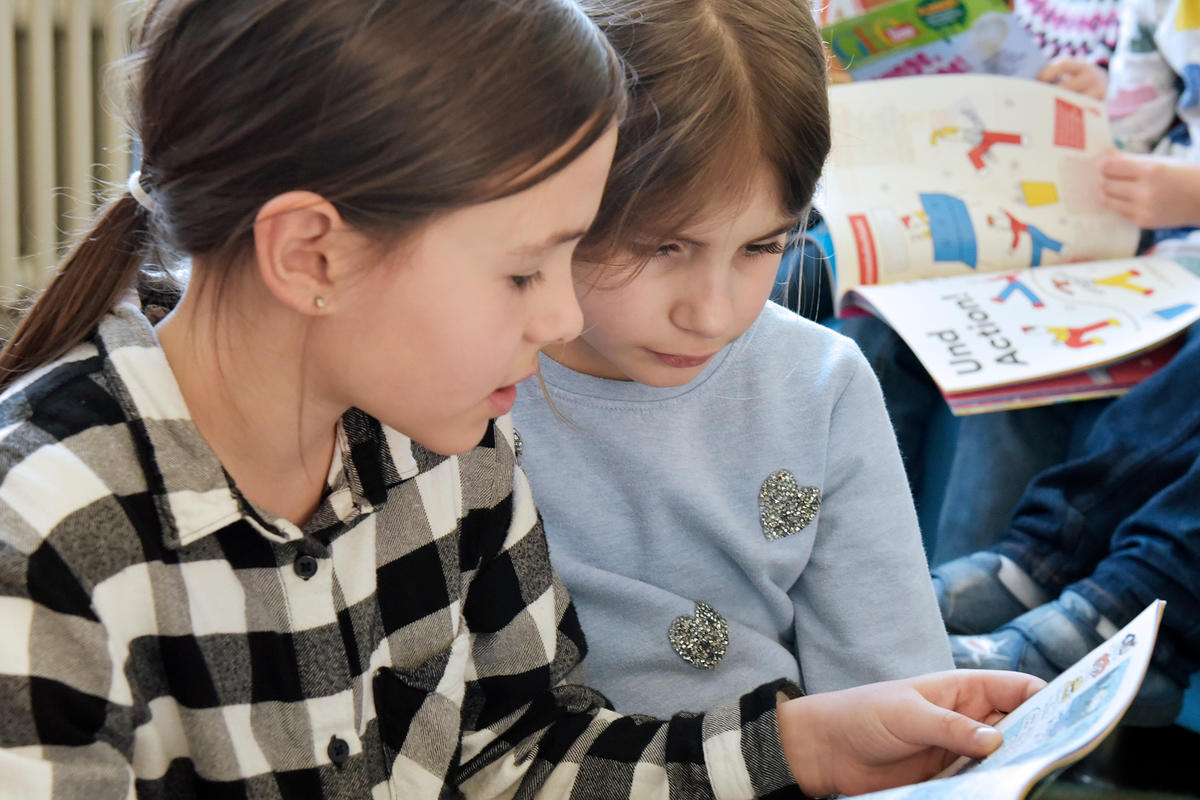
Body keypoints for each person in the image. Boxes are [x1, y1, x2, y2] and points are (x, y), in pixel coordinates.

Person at [0, 1, 1045, 797]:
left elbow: (521, 754)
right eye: (524, 271)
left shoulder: (452, 445)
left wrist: (801, 746)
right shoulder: (47, 530)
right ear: (313, 253)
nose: (560, 318)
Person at [511, 0, 953, 719]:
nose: (711, 315)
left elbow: (890, 686)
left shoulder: (823, 385)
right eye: (661, 246)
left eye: (761, 246)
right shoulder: (461, 387)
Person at [931, 0, 1200, 727]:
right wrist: (1093, 109)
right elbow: (1130, 132)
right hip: (1158, 268)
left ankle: (1113, 611)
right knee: (1004, 336)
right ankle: (1034, 563)